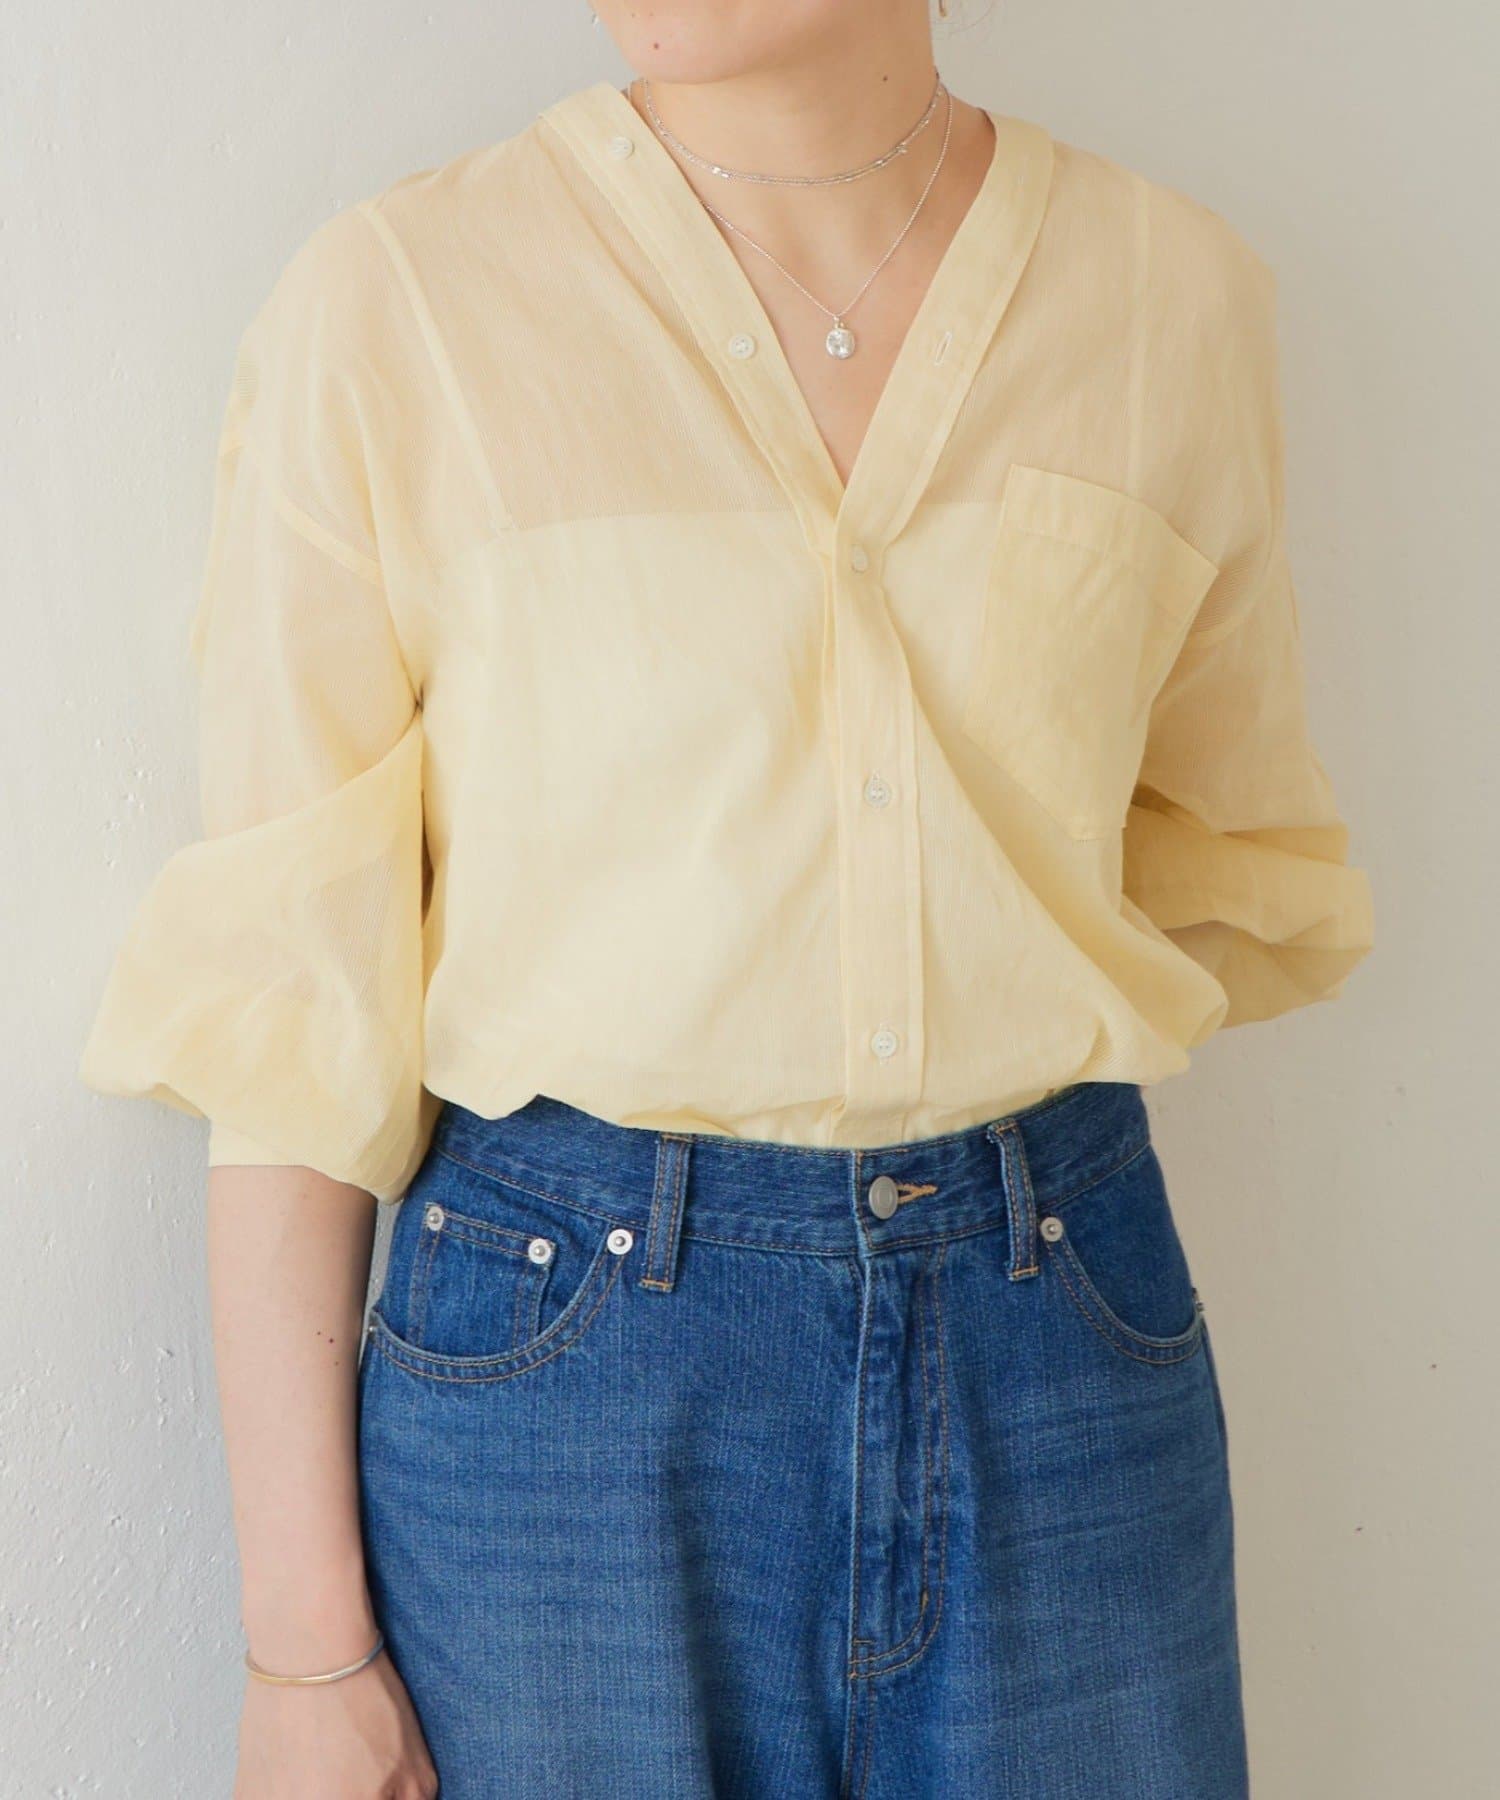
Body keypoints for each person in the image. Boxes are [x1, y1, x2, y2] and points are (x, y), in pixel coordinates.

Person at [78, 3, 1375, 1795]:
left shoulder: (1174, 300)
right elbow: (298, 1018)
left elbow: (1202, 849)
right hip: (567, 1390)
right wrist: (303, 1650)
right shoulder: (403, 304)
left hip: (1060, 1347)